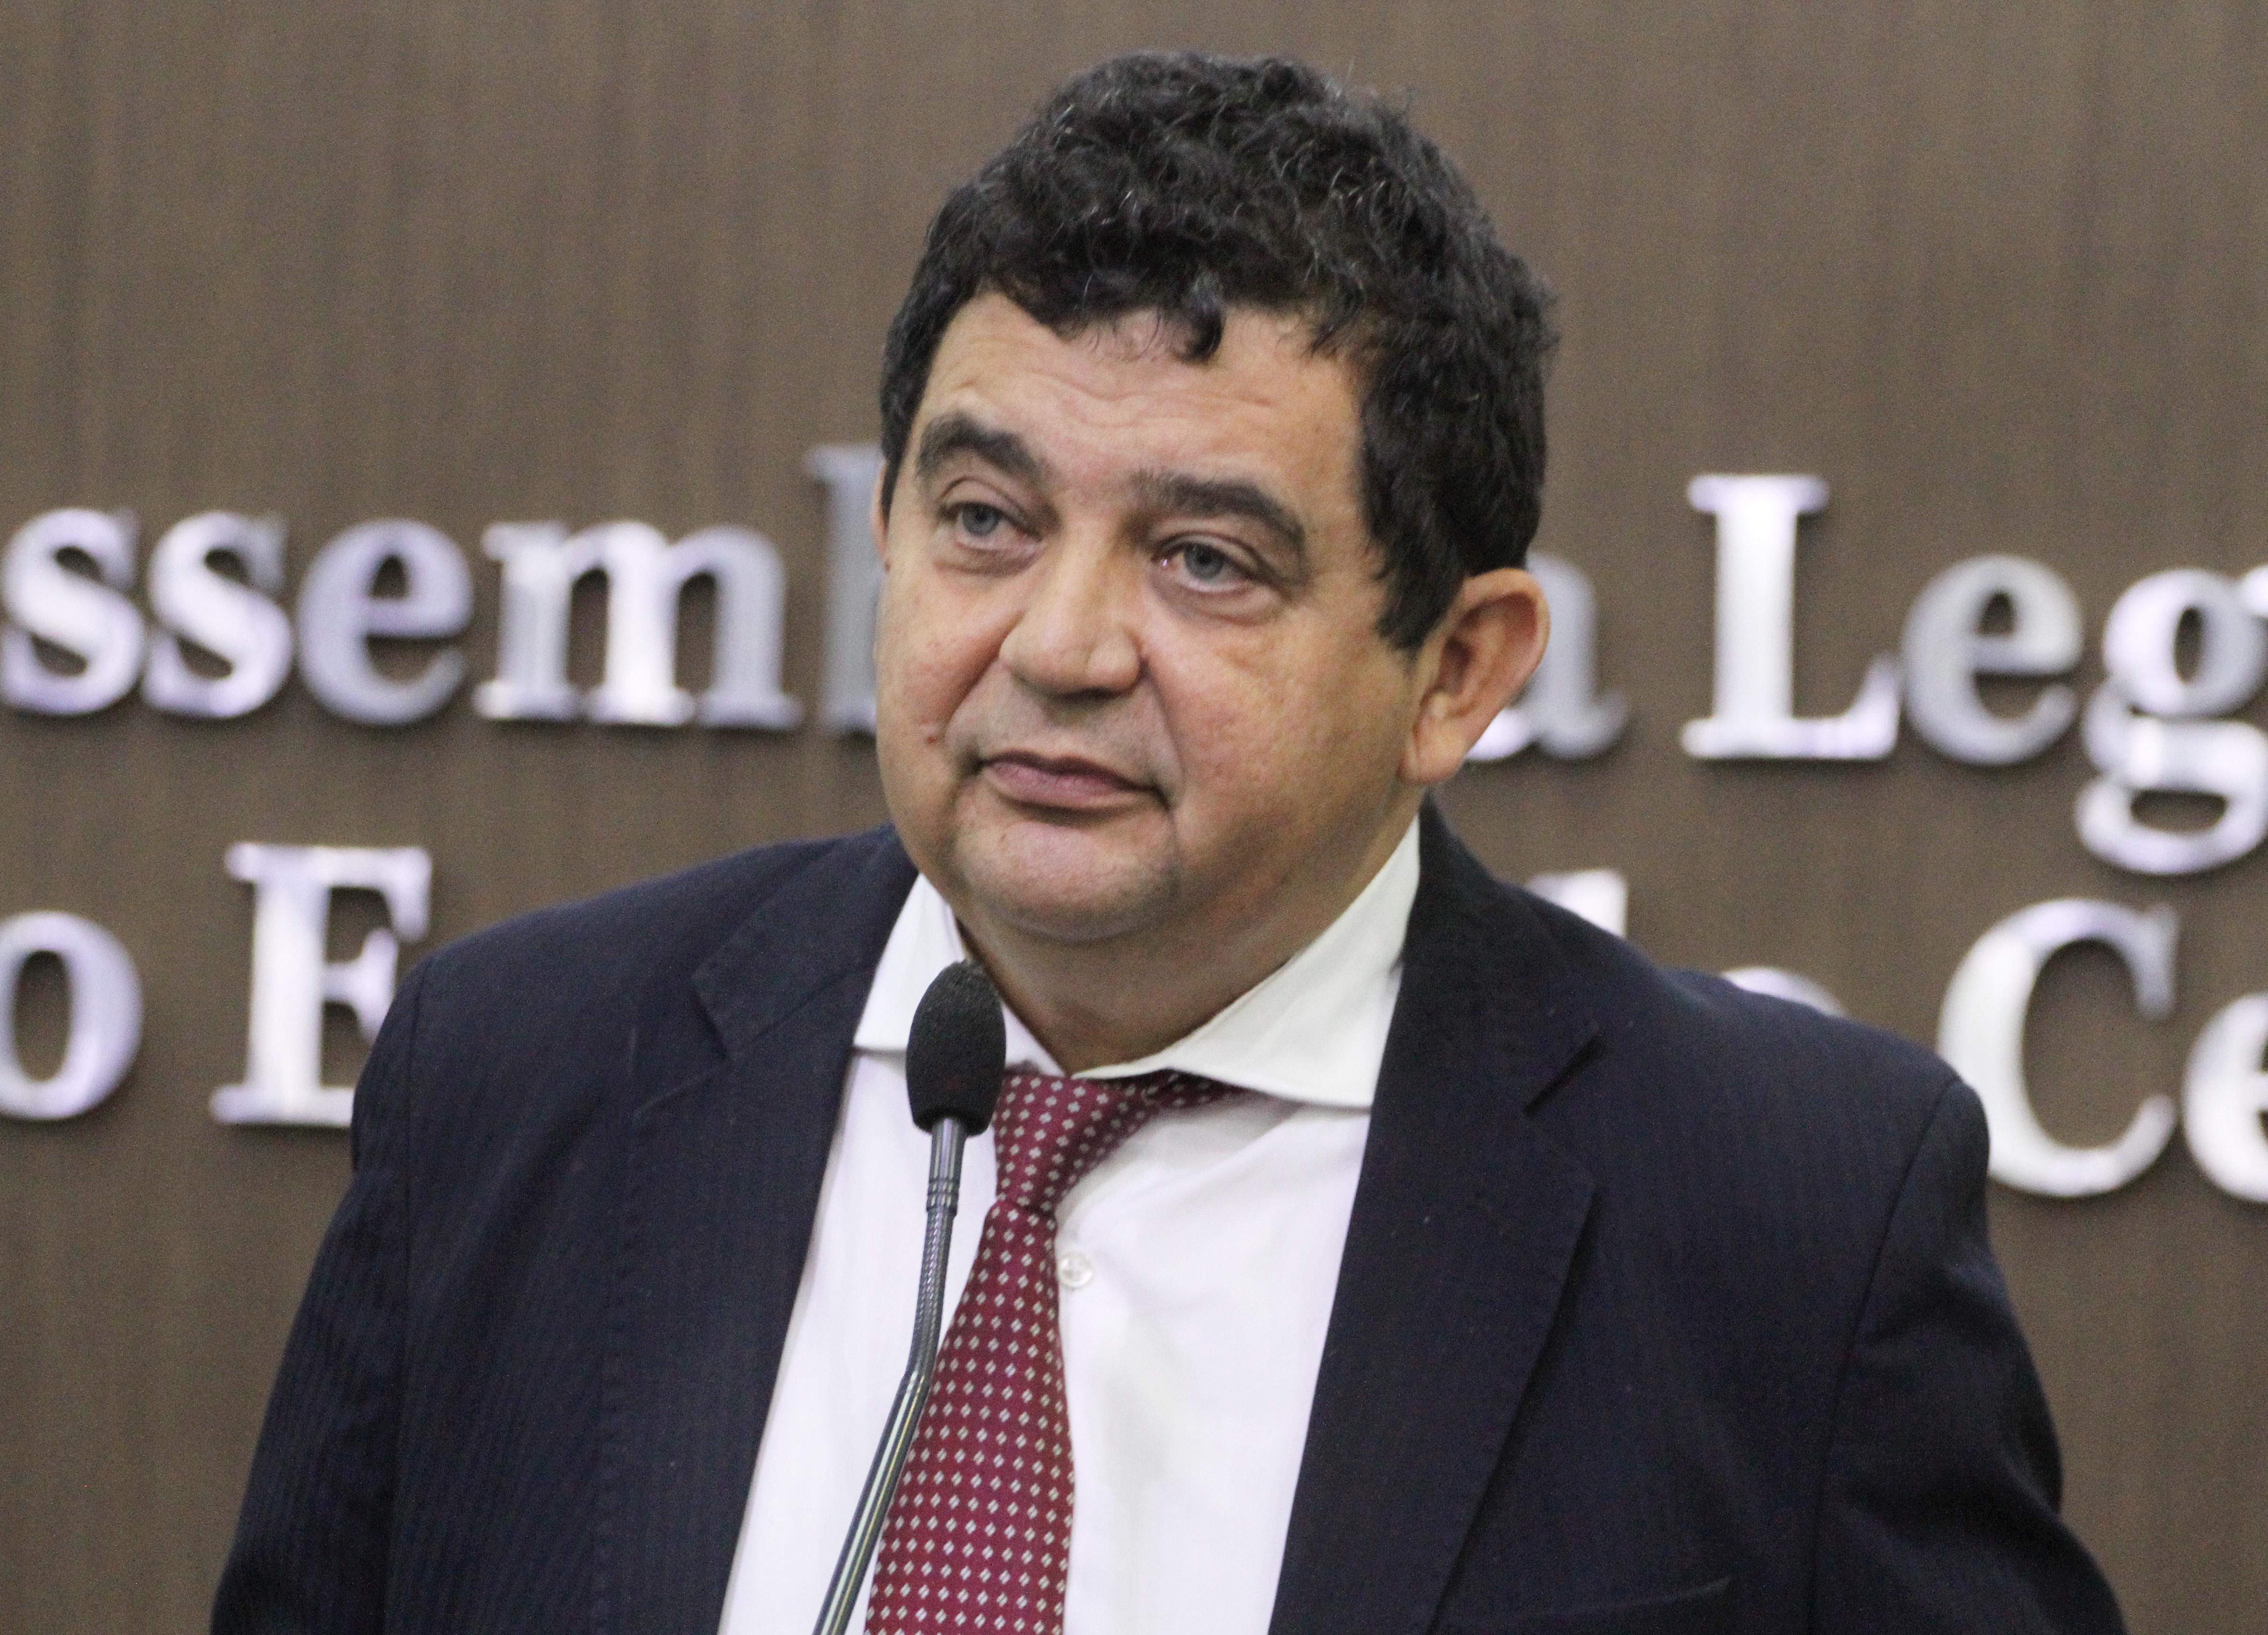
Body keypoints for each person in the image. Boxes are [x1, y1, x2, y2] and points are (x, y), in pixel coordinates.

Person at [213, 52, 2124, 1635]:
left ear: (1458, 671)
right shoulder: (519, 1077)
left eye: (1206, 559)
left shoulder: (1789, 1222)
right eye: (984, 519)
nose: (1059, 647)